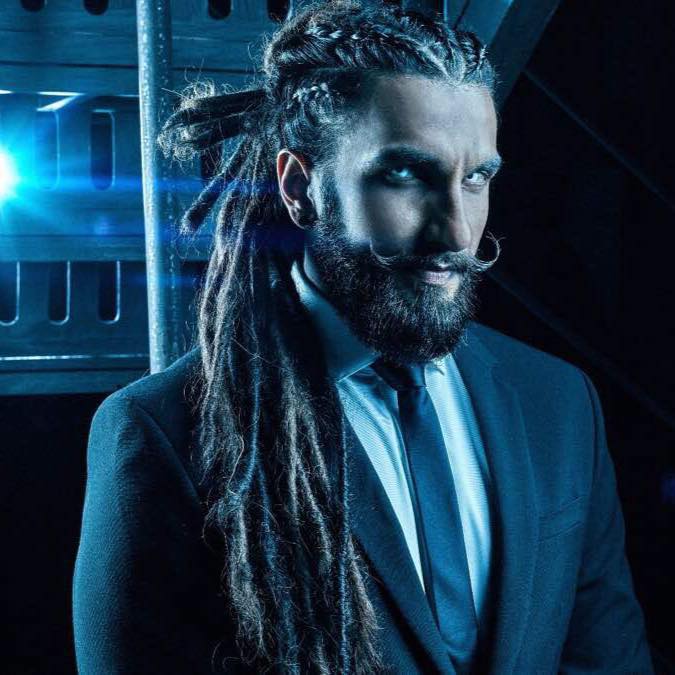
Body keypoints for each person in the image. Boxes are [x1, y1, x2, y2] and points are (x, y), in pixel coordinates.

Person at [72, 1, 654, 673]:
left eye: (475, 177)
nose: (454, 231)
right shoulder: (165, 435)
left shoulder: (557, 403)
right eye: (403, 174)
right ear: (300, 187)